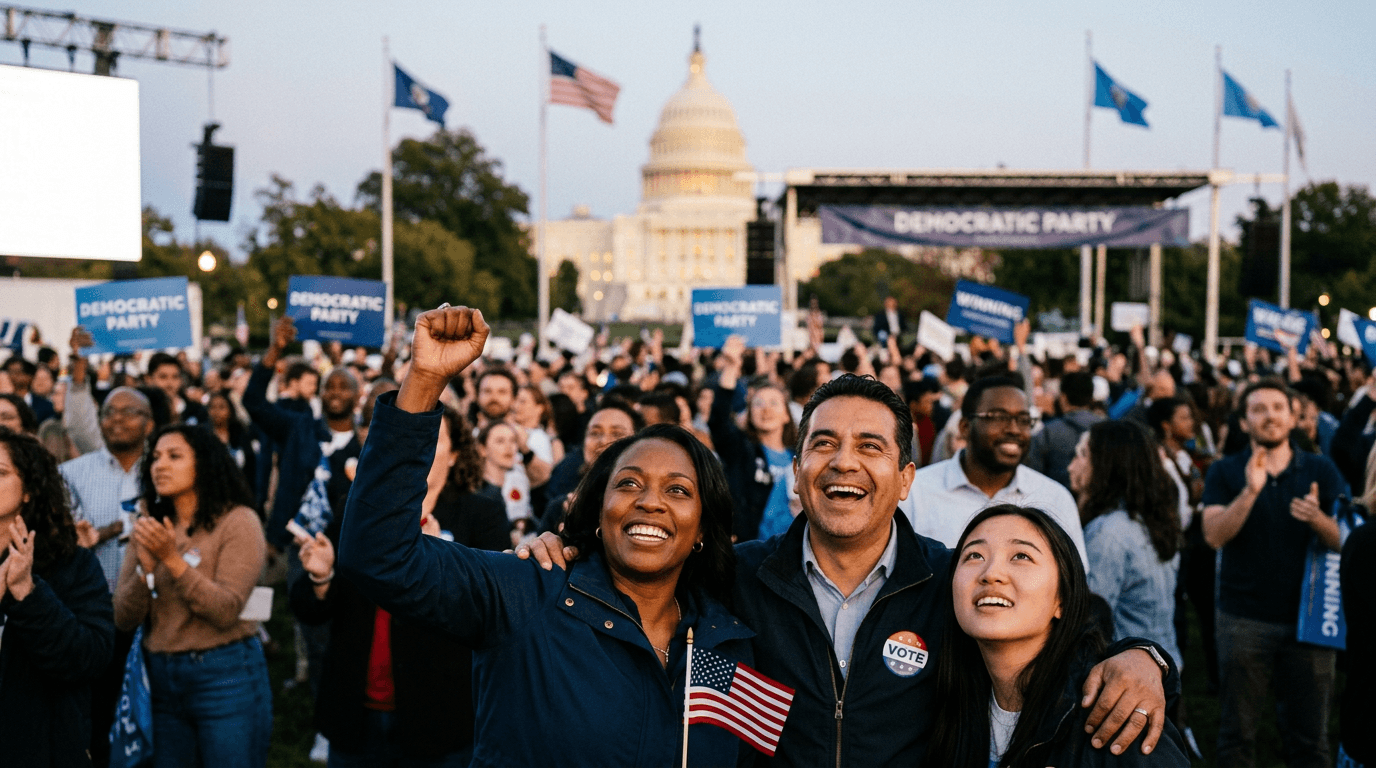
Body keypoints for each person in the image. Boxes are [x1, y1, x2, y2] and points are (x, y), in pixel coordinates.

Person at [529, 372, 1173, 765]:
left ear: (904, 480)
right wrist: (559, 550)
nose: (844, 463)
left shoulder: (953, 583)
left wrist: (1145, 657)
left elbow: (1074, 622)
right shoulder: (732, 578)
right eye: (824, 444)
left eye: (870, 447)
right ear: (798, 471)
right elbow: (638, 574)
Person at [336, 305, 754, 767]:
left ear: (702, 527)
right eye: (629, 483)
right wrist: (424, 382)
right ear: (597, 510)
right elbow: (378, 554)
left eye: (678, 490)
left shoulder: (727, 637)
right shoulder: (527, 592)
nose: (650, 502)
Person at [291, 406, 508, 766]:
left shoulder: (481, 515)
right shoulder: (360, 508)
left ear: (455, 455)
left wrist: (441, 564)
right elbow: (309, 609)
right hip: (356, 713)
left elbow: (489, 613)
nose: (420, 448)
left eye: (434, 439)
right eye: (413, 439)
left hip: (439, 717)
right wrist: (321, 576)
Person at [928, 505, 1188, 767]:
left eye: (1021, 556)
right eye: (974, 555)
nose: (991, 574)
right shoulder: (943, 701)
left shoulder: (1115, 713)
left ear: (1062, 599)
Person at [1202, 379, 1348, 768]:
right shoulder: (1225, 471)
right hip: (1243, 619)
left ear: (1292, 416)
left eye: (1278, 408)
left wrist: (1318, 519)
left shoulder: (1320, 468)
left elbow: (1346, 542)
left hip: (1308, 623)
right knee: (1237, 736)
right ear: (1245, 421)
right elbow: (1214, 535)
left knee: (1310, 739)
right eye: (1259, 409)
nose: (1270, 416)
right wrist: (1250, 492)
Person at [113, 423, 271, 768]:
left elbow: (226, 609)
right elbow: (123, 617)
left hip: (223, 676)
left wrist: (171, 559)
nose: (160, 465)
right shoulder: (151, 526)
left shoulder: (239, 521)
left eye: (174, 456)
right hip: (161, 678)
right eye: (154, 457)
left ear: (204, 463)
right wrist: (146, 571)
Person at [0, 428, 115, 768]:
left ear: (29, 490)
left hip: (39, 750)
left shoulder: (71, 563)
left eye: (1, 473)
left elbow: (89, 657)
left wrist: (27, 593)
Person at [901, 375, 1089, 568]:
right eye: (999, 417)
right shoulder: (915, 494)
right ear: (965, 427)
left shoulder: (1054, 499)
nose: (1014, 429)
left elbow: (1075, 585)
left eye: (1023, 420)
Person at [1067, 421, 1182, 668]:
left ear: (1109, 464)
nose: (1071, 466)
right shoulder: (1151, 520)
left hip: (1128, 672)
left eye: (1083, 455)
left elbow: (1087, 618)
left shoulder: (1109, 533)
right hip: (1162, 661)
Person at [709, 334, 799, 541]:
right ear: (749, 415)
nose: (766, 410)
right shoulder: (741, 451)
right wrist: (731, 367)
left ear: (787, 414)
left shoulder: (800, 457)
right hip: (752, 550)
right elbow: (719, 421)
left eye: (774, 403)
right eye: (758, 404)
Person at [1025, 371, 1103, 490]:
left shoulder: (1047, 432)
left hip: (1053, 501)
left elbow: (1032, 475)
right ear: (1092, 398)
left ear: (1063, 398)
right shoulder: (1108, 429)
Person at [207, 389, 258, 500]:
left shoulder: (241, 435)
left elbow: (250, 467)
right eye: (212, 407)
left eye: (221, 407)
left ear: (230, 410)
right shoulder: (203, 436)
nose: (216, 412)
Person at [145, 351, 209, 425]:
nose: (170, 383)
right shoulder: (143, 412)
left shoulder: (196, 409)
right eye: (163, 377)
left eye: (175, 377)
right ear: (149, 379)